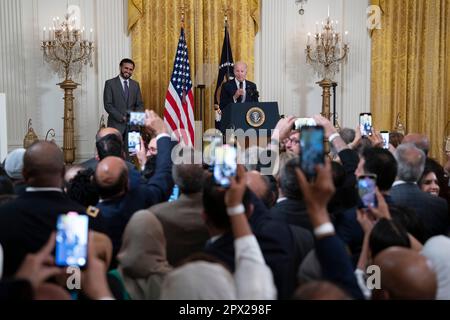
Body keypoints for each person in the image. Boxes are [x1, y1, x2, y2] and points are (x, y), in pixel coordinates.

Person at [103, 58, 144, 141]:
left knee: (133, 152)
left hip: (133, 127)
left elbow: (139, 104)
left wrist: (134, 118)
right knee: (115, 152)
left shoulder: (135, 85)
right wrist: (122, 118)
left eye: (130, 69)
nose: (128, 71)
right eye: (126, 68)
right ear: (120, 67)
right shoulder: (110, 83)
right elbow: (108, 105)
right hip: (115, 126)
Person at [218, 62, 259, 131]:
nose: (239, 74)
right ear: (234, 72)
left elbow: (256, 104)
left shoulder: (252, 85)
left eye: (242, 71)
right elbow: (222, 105)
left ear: (246, 72)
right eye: (237, 71)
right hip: (232, 122)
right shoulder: (226, 85)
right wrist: (234, 97)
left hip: (249, 123)